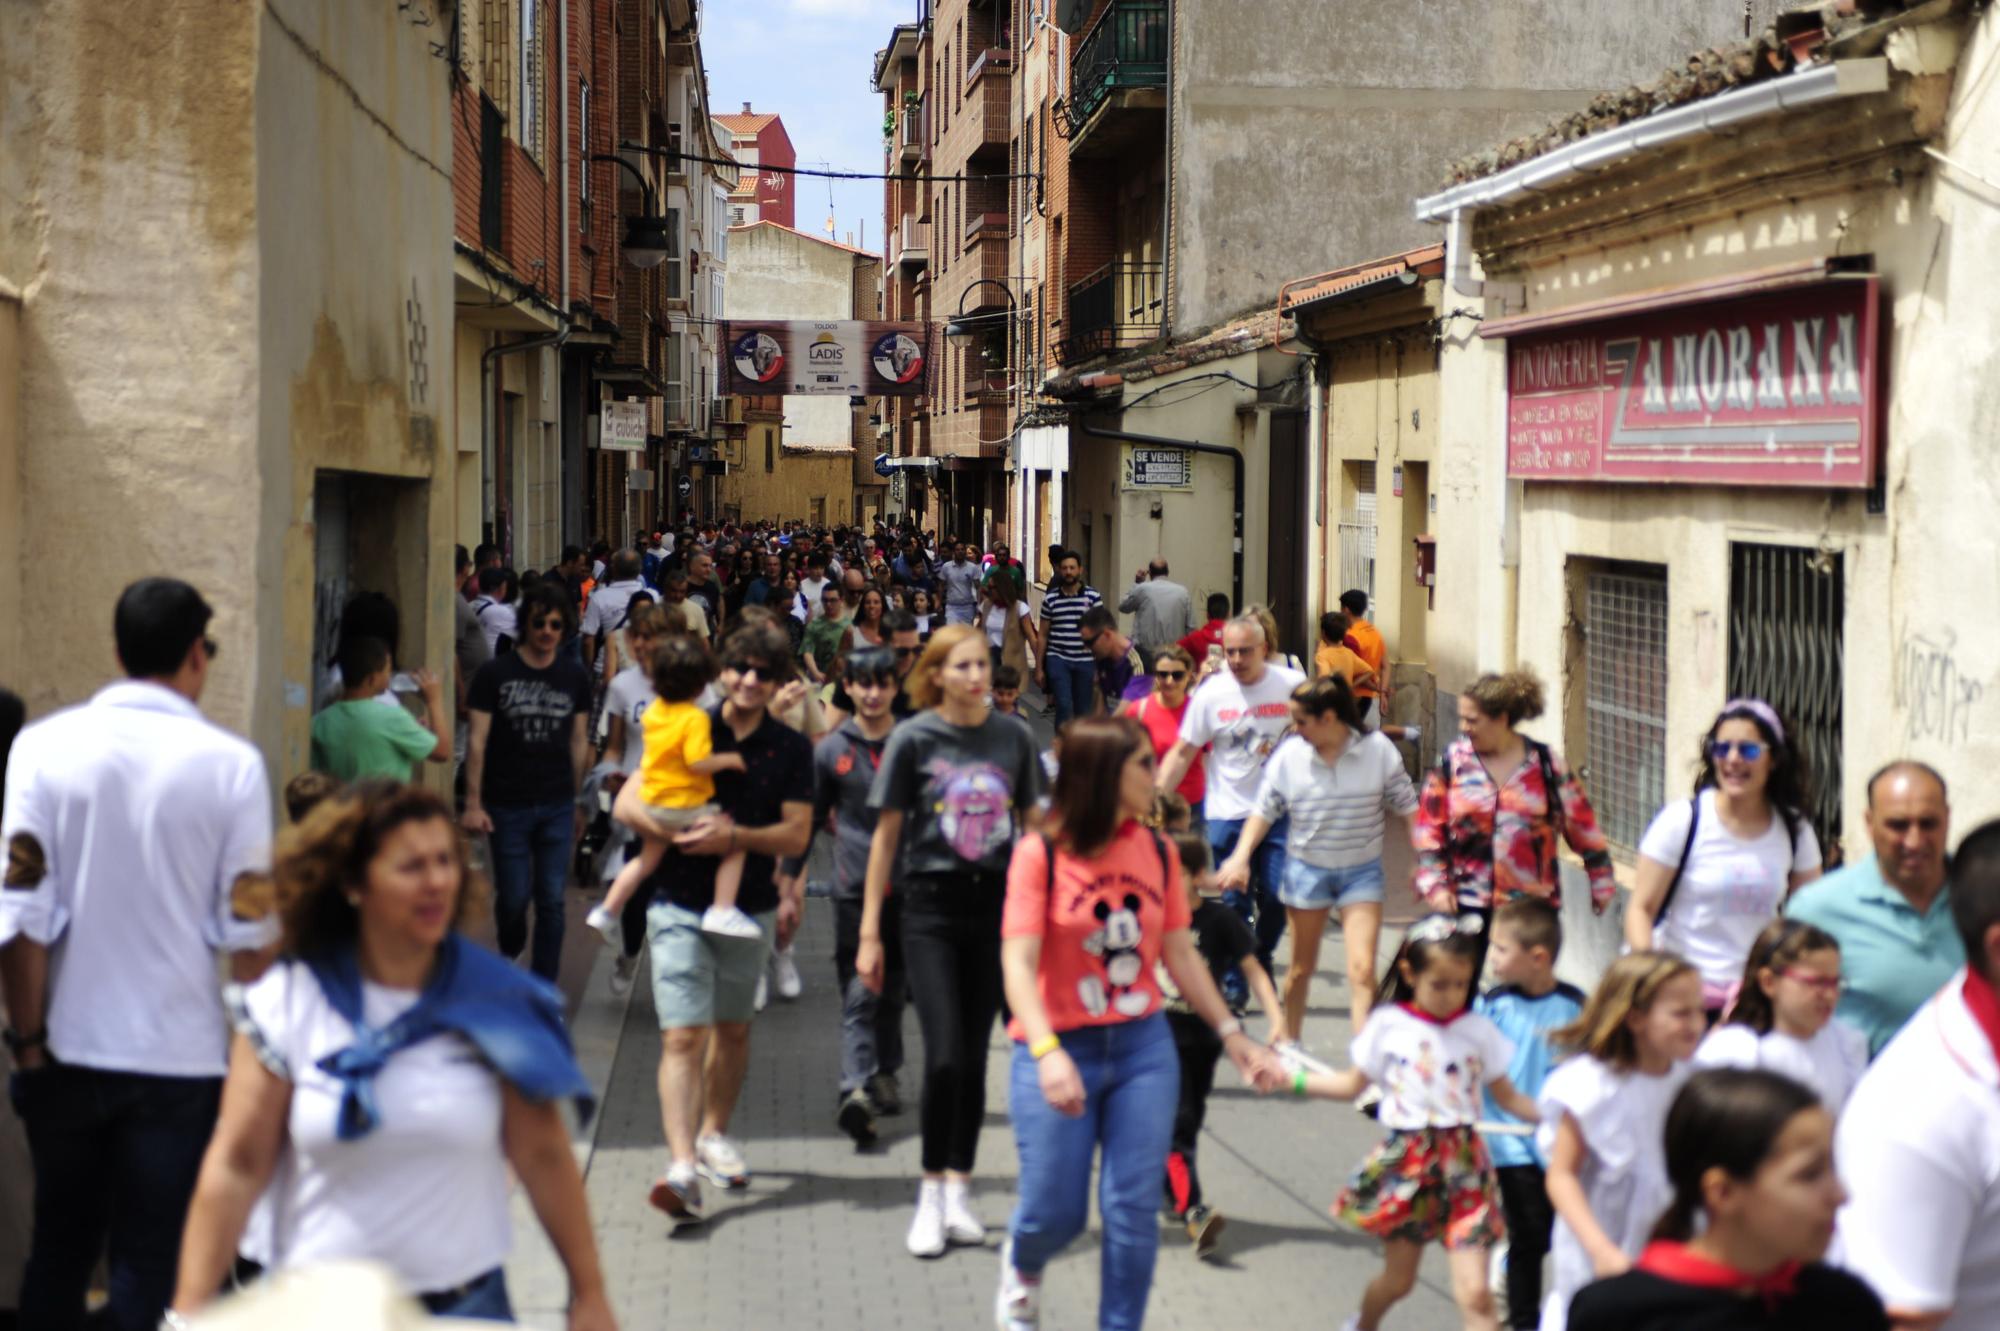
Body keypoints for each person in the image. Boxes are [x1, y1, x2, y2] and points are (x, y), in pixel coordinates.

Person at [165, 784, 613, 1327]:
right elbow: (238, 1163)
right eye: (411, 866)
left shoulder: (498, 1002)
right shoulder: (289, 1000)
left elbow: (544, 1155)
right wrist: (187, 1314)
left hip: (463, 1308)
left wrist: (587, 1293)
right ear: (354, 883)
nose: (437, 881)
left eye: (446, 861)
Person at [0, 579, 279, 1331]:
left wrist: (27, 1048)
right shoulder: (232, 767)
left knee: (57, 1255)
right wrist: (262, 1060)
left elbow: (20, 916)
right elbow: (252, 935)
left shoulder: (41, 749)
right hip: (180, 1063)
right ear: (197, 654)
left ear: (118, 652)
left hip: (67, 1051)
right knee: (150, 1264)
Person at [995, 719, 1283, 1331]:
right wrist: (1047, 1052)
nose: (1160, 775)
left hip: (1141, 1050)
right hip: (1057, 1044)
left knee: (1128, 1211)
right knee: (1056, 1213)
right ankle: (1022, 1268)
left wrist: (1234, 1036)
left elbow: (1179, 953)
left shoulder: (1155, 851)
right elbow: (1017, 966)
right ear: (1104, 775)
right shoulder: (1038, 852)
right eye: (1145, 765)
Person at [858, 625, 1044, 1258]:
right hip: (928, 908)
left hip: (995, 907)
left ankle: (960, 1189)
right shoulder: (915, 738)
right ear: (936, 673)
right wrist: (868, 935)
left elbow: (1036, 829)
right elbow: (886, 836)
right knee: (940, 1056)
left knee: (972, 1058)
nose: (977, 677)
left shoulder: (1013, 736)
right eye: (963, 666)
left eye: (983, 666)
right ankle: (930, 1190)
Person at [630, 624, 812, 1226]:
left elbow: (797, 833)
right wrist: (673, 831)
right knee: (682, 1035)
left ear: (779, 679)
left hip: (748, 907)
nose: (752, 681)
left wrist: (735, 837)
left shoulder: (788, 749)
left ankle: (713, 1135)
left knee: (731, 1032)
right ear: (723, 672)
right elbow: (632, 799)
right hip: (677, 902)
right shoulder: (691, 721)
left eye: (765, 672)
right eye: (742, 670)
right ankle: (681, 1167)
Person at [1295, 917, 1541, 1331]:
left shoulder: (1479, 1031)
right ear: (1411, 974)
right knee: (1398, 1282)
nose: (1451, 996)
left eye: (1461, 985)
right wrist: (1292, 1079)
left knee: (1477, 1295)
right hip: (1409, 1162)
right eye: (1439, 985)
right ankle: (1362, 1326)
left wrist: (1568, 1115)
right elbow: (1352, 1084)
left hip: (1465, 1167)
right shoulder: (1389, 1025)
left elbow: (1510, 1098)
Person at [1568, 1068, 1886, 1330]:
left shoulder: (1844, 1304)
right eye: (1809, 1175)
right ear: (1722, 1192)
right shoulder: (1618, 1314)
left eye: (1832, 1167)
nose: (1840, 1195)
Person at [1217, 675, 1414, 1042]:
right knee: (1301, 969)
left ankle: (1364, 1064)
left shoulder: (1378, 751)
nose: (1294, 729)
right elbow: (1264, 809)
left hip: (1361, 873)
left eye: (1301, 721)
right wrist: (1241, 856)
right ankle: (1289, 1040)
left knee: (1361, 969)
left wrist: (1428, 862)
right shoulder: (1290, 755)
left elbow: (1407, 806)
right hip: (1307, 869)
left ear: (1329, 718)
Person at [1539, 952, 1706, 1331]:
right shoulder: (1590, 1086)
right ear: (1635, 1018)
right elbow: (1562, 1176)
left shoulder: (1694, 1080)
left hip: (1670, 1251)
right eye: (1681, 1013)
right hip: (1602, 1253)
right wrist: (1601, 1250)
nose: (1696, 1023)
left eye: (1699, 1011)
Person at [1626, 700, 1823, 1019]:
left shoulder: (1794, 832)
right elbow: (1641, 909)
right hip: (1682, 1003)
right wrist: (1653, 982)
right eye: (1722, 748)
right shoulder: (1682, 821)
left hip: (1754, 1004)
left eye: (1748, 750)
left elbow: (1809, 921)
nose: (1733, 760)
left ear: (1773, 759)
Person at [789, 648, 907, 1148]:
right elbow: (810, 822)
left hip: (908, 889)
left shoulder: (913, 744)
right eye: (864, 684)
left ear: (894, 688)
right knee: (859, 988)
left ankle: (883, 1069)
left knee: (893, 991)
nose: (874, 692)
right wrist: (790, 883)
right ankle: (853, 1087)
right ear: (850, 689)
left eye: (883, 683)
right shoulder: (831, 750)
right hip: (852, 888)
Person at [1156, 614, 1306, 995]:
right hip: (1227, 811)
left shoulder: (1291, 686)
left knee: (1277, 896)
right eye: (1230, 652)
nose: (1236, 659)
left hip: (1281, 813)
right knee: (1235, 899)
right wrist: (1155, 800)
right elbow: (1183, 751)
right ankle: (1237, 981)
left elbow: (1321, 736)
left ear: (1265, 650)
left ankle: (1260, 954)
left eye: (1245, 652)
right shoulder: (1211, 693)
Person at [1414, 671, 1617, 953]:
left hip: (1530, 906)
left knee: (1525, 989)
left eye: (1472, 720)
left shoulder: (1546, 764)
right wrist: (1435, 884)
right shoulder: (1454, 761)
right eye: (1461, 718)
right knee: (1461, 990)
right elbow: (1429, 829)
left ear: (1502, 719)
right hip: (1467, 900)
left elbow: (1582, 824)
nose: (1463, 727)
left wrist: (1601, 878)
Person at [1159, 831, 1284, 1257]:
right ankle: (1194, 1208)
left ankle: (1170, 1183)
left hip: (1202, 1038)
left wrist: (1277, 1017)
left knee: (1187, 1121)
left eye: (1170, 873)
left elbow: (1253, 969)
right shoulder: (1148, 916)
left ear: (1194, 876)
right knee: (1178, 1121)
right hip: (1156, 1037)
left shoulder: (1218, 920)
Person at [461, 581, 593, 982]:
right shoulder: (495, 674)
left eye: (556, 624)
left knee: (551, 900)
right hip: (506, 802)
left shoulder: (574, 676)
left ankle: (543, 986)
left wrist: (578, 801)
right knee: (514, 898)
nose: (548, 631)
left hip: (555, 801)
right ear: (525, 624)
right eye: (540, 623)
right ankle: (512, 951)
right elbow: (478, 741)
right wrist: (472, 802)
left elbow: (579, 741)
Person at [585, 635, 750, 947]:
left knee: (643, 862)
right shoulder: (695, 718)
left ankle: (606, 911)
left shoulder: (655, 713)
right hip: (683, 804)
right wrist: (730, 759)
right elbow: (698, 761)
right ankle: (723, 909)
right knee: (734, 844)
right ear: (699, 686)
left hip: (653, 801)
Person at [1786, 760, 1959, 1056]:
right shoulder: (1818, 909)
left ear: (1947, 818)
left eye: (1928, 823)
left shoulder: (1983, 897)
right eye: (1898, 825)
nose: (1914, 841)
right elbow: (1788, 1024)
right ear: (1869, 823)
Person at [1476, 898, 1587, 1331]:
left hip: (1557, 1141)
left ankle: (1519, 1281)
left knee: (1556, 1231)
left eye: (1501, 950)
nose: (1493, 958)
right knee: (1530, 1237)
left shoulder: (1577, 1007)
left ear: (1538, 958)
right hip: (1509, 1140)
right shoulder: (1494, 1005)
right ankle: (1524, 1321)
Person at [1692, 918, 1866, 1113]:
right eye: (1815, 982)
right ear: (1769, 982)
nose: (1829, 995)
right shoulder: (1737, 1050)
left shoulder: (1846, 1044)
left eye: (1834, 983)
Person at [595, 604, 666, 996]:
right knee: (641, 888)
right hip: (636, 799)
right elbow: (614, 745)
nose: (640, 644)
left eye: (648, 636)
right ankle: (631, 950)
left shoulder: (689, 682)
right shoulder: (622, 686)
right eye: (634, 636)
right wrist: (607, 775)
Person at [310, 636, 451, 782]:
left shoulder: (319, 722)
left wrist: (410, 727)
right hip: (384, 804)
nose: (390, 676)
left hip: (339, 803)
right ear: (372, 679)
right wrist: (434, 701)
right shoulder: (392, 718)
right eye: (387, 670)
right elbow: (441, 752)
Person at [1128, 646, 1204, 833]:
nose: (1169, 681)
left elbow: (1208, 760)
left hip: (1190, 809)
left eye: (1177, 675)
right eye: (1163, 674)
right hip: (1150, 805)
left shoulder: (1199, 711)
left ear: (1189, 676)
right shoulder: (1139, 710)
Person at [1037, 550, 1105, 726]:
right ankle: (1062, 746)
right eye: (1065, 568)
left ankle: (1078, 748)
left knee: (1083, 709)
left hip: (1086, 659)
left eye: (1072, 568)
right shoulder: (1051, 600)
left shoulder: (1092, 597)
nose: (1068, 572)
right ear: (1059, 570)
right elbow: (1043, 635)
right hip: (1058, 658)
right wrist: (1039, 668)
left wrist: (1100, 665)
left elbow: (1100, 632)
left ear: (1080, 570)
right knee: (1064, 705)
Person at [579, 550, 649, 676]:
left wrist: (588, 670)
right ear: (639, 570)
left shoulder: (600, 597)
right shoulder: (652, 597)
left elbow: (588, 639)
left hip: (605, 669)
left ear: (613, 569)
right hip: (639, 669)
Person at [1117, 559, 1194, 668]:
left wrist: (1137, 583)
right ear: (1167, 572)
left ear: (1150, 573)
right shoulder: (1183, 592)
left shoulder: (1142, 589)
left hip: (1147, 655)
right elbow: (1191, 627)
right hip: (1175, 654)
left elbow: (1123, 606)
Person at [1079, 604, 1150, 717]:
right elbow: (1101, 704)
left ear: (1107, 635)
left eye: (1089, 642)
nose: (1086, 648)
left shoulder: (1139, 663)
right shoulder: (1103, 659)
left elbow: (1127, 710)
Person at [1339, 589, 1389, 731]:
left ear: (1346, 610)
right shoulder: (1375, 632)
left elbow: (1356, 670)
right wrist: (1382, 694)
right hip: (1374, 698)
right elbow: (1386, 666)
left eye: (1341, 609)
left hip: (1357, 698)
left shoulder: (1349, 636)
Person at [981, 565, 1039, 680]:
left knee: (1009, 694)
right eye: (988, 586)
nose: (988, 590)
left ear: (1002, 588)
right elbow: (978, 632)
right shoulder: (986, 606)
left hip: (1012, 660)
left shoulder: (1020, 608)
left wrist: (1039, 665)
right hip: (991, 657)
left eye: (992, 587)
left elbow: (1031, 637)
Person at [799, 582, 853, 684]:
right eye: (825, 600)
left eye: (833, 600)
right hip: (821, 678)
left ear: (841, 600)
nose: (828, 604)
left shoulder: (850, 625)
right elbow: (807, 652)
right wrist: (816, 673)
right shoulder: (814, 625)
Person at [1315, 610, 1377, 692]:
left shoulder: (1322, 656)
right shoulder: (1349, 653)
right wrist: (1352, 685)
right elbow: (1369, 671)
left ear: (1323, 632)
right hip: (1347, 699)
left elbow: (1324, 679)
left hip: (1331, 700)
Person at [470, 565, 519, 656]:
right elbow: (521, 637)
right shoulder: (503, 611)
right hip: (493, 663)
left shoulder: (469, 605)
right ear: (501, 588)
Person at [1178, 592, 1232, 666]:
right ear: (1229, 614)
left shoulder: (1195, 638)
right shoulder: (1237, 637)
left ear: (1207, 615)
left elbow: (1172, 652)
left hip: (1202, 676)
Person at [937, 541, 983, 626]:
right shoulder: (946, 567)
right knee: (952, 633)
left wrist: (979, 603)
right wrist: (939, 602)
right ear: (953, 552)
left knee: (967, 634)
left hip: (967, 607)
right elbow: (941, 585)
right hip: (951, 606)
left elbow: (978, 587)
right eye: (957, 550)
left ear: (965, 551)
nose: (960, 551)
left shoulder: (972, 567)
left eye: (962, 549)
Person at [842, 586, 888, 653]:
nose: (872, 606)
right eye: (867, 602)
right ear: (862, 606)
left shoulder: (892, 632)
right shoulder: (851, 631)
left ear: (882, 606)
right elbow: (840, 659)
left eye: (876, 602)